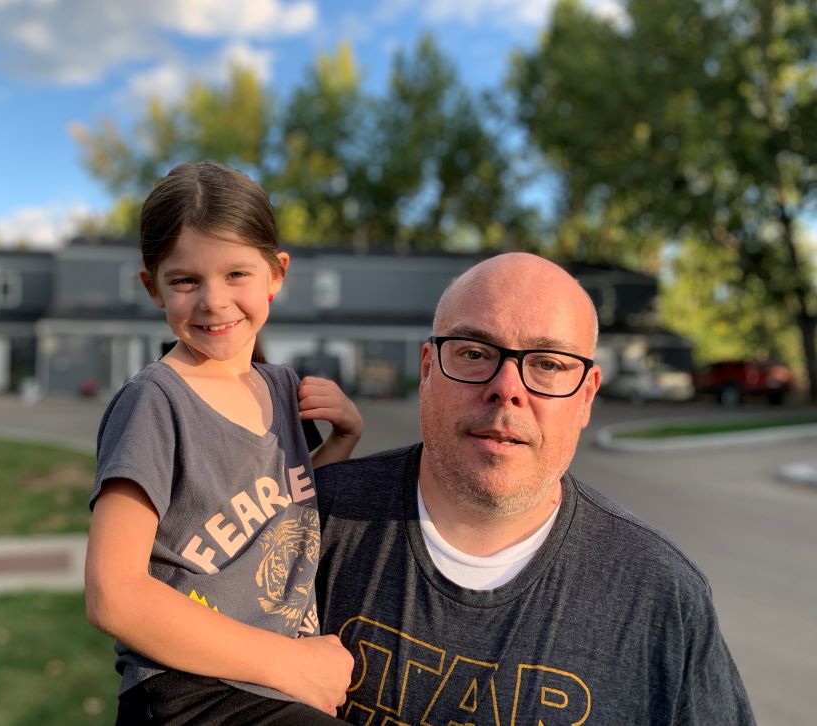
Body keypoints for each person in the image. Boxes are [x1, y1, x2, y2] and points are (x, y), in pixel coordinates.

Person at [315, 253, 755, 725]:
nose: (507, 388)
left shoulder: (660, 595)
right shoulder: (312, 521)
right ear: (427, 370)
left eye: (547, 364)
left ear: (586, 396)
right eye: (475, 353)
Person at [85, 161, 362, 724]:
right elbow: (112, 592)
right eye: (186, 280)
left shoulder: (283, 389)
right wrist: (289, 663)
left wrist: (343, 440)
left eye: (237, 274)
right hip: (192, 693)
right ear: (152, 286)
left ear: (276, 274)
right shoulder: (155, 404)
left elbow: (284, 509)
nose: (213, 300)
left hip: (265, 685)